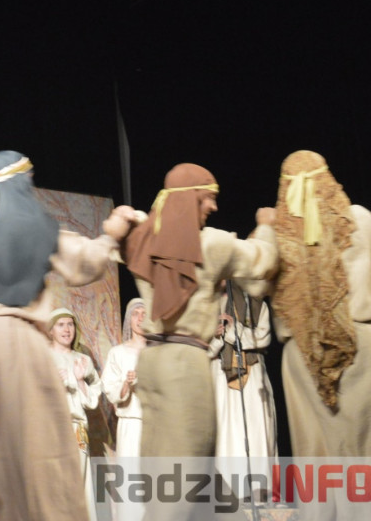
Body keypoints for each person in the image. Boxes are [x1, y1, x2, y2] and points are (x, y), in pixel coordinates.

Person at [0, 150, 135, 521]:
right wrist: (111, 235)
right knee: (38, 461)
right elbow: (84, 262)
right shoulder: (33, 226)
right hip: (22, 349)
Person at [120, 163, 277, 461]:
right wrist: (266, 226)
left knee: (160, 463)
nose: (214, 207)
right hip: (185, 362)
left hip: (150, 362)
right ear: (190, 198)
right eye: (208, 198)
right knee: (191, 461)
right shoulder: (212, 244)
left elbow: (120, 242)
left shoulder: (143, 242)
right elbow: (264, 263)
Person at [269, 150, 371, 458]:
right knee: (362, 444)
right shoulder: (358, 219)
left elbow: (255, 281)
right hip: (358, 341)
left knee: (315, 448)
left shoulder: (276, 233)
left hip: (301, 348)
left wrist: (262, 228)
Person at [209, 285, 277, 490]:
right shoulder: (204, 304)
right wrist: (215, 337)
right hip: (219, 374)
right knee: (226, 431)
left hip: (252, 370)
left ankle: (260, 490)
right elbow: (199, 349)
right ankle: (230, 491)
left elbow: (263, 337)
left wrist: (233, 329)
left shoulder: (254, 302)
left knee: (257, 427)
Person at [48, 307, 102, 521]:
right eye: (61, 325)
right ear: (51, 330)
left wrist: (79, 381)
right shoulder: (43, 358)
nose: (66, 329)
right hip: (51, 428)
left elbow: (94, 396)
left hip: (76, 427)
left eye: (70, 324)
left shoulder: (82, 360)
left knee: (79, 481)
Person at [102, 297, 146, 460]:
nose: (140, 318)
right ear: (129, 319)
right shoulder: (117, 353)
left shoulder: (158, 352)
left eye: (144, 314)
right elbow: (109, 388)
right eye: (136, 314)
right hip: (130, 424)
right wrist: (126, 383)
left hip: (156, 423)